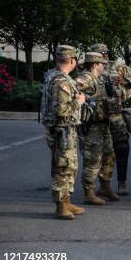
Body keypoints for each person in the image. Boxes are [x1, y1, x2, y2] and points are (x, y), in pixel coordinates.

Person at [40, 45, 86, 220]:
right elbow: (62, 110)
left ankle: (66, 202)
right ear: (72, 60)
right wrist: (79, 102)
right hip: (63, 130)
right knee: (63, 167)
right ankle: (61, 205)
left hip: (60, 130)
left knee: (68, 166)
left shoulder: (52, 75)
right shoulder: (62, 81)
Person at [90, 43, 131, 196]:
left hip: (115, 114)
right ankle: (102, 184)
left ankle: (121, 182)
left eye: (105, 54)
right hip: (97, 117)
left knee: (122, 147)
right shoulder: (87, 70)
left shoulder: (117, 67)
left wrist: (124, 82)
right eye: (100, 54)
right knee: (98, 151)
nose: (104, 57)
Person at [76, 52, 119, 205]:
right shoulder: (85, 77)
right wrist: (88, 99)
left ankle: (105, 186)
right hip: (91, 126)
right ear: (94, 64)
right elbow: (75, 93)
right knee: (93, 158)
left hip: (103, 124)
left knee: (109, 155)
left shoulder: (100, 79)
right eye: (102, 64)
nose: (104, 66)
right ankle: (89, 192)